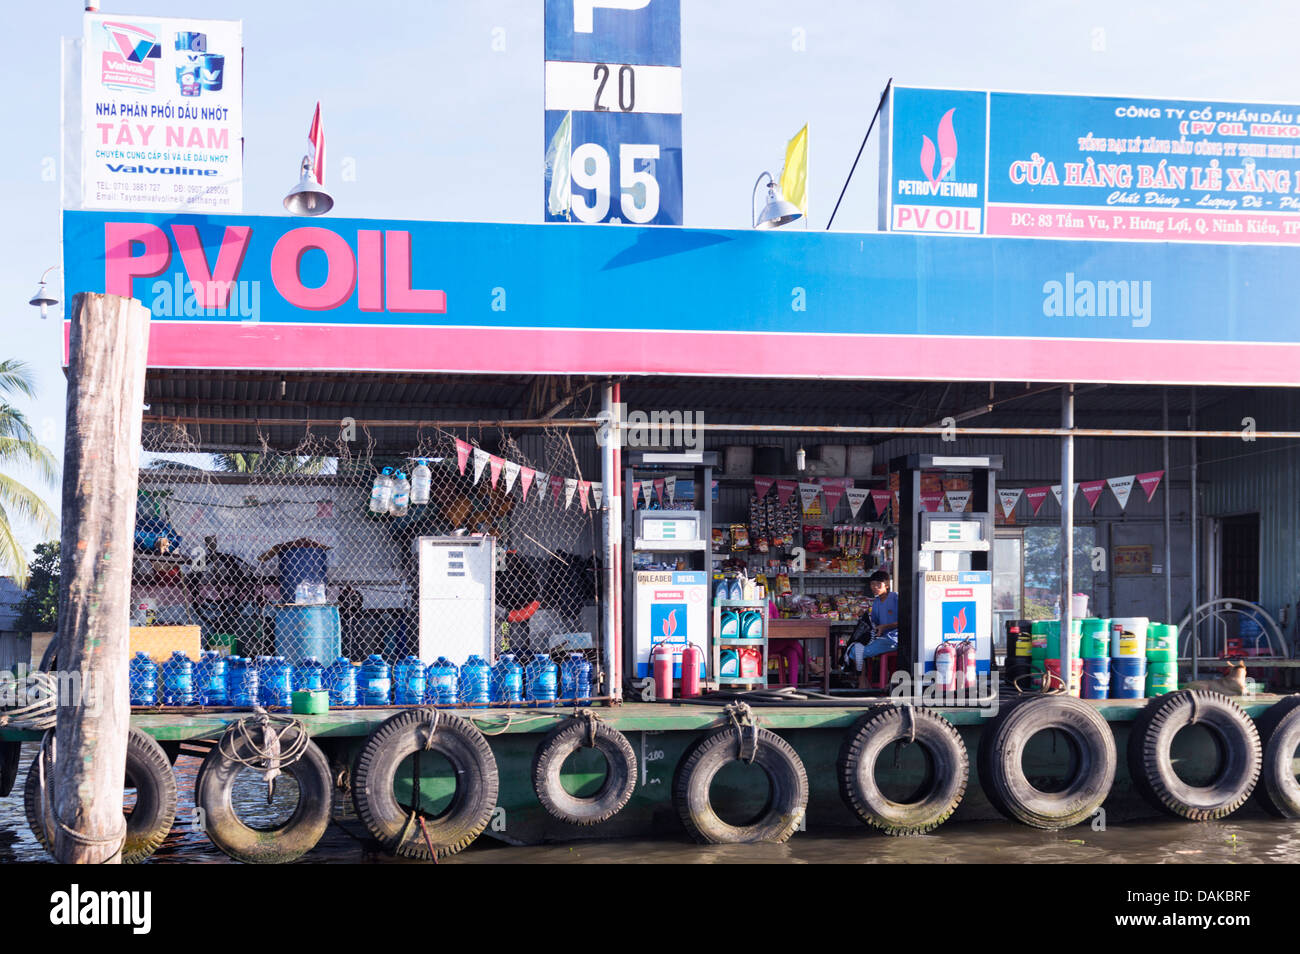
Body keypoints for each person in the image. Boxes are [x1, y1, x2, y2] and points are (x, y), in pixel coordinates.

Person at [846, 570, 899, 688]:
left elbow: (906, 621)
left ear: (887, 585)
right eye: (872, 584)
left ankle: (863, 684)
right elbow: (875, 623)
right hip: (881, 638)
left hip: (893, 639)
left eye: (878, 585)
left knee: (857, 652)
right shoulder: (876, 602)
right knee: (854, 648)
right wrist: (863, 616)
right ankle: (863, 682)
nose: (874, 587)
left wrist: (885, 627)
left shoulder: (896, 598)